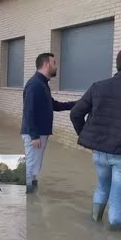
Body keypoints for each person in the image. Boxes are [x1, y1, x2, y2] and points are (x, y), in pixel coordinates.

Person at [70, 47, 121, 231]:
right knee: (118, 201)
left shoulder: (98, 86)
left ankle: (95, 226)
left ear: (118, 65)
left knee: (102, 188)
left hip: (99, 153)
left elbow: (75, 113)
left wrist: (86, 137)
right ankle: (113, 239)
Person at [21, 53, 77, 193]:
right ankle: (27, 198)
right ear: (46, 64)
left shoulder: (42, 84)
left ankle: (32, 197)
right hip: (35, 134)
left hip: (39, 133)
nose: (56, 66)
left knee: (35, 166)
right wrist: (34, 136)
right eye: (54, 63)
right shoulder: (35, 84)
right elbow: (28, 110)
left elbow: (54, 105)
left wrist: (78, 104)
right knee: (31, 165)